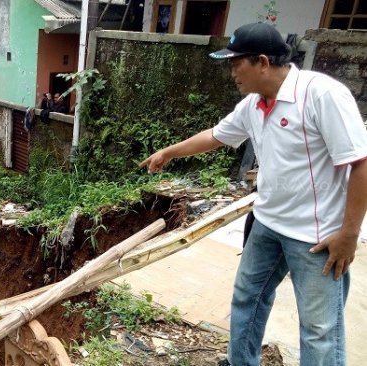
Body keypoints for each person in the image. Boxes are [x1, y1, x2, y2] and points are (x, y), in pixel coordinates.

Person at [139, 22, 367, 366]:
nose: (232, 73)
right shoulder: (254, 104)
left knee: (319, 329)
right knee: (247, 298)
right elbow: (216, 135)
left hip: (316, 236)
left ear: (262, 62)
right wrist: (169, 152)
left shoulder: (321, 95)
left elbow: (361, 163)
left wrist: (349, 233)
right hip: (268, 223)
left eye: (236, 63)